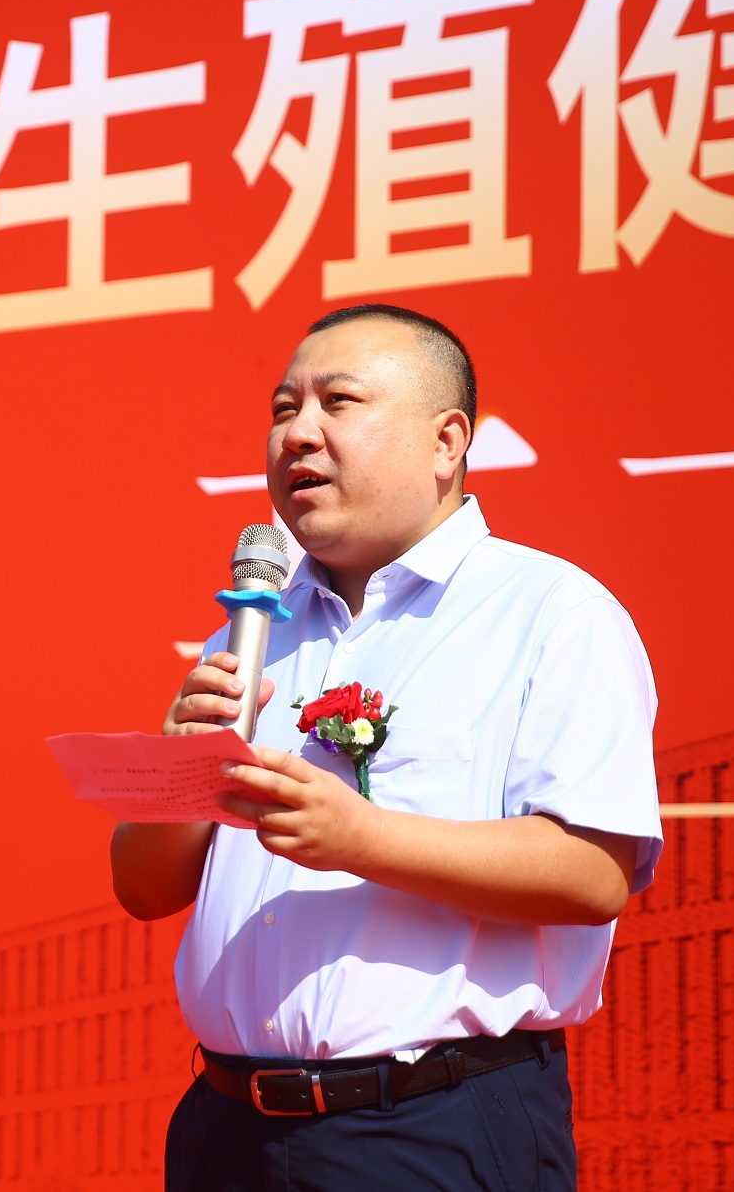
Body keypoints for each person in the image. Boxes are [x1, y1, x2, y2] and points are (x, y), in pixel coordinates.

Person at [112, 304, 663, 1191]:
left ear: (447, 442)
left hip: (427, 1123)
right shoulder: (251, 631)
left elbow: (594, 873)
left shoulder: (550, 612)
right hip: (225, 1130)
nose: (298, 433)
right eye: (284, 408)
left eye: (338, 402)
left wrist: (362, 836)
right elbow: (143, 888)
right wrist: (182, 767)